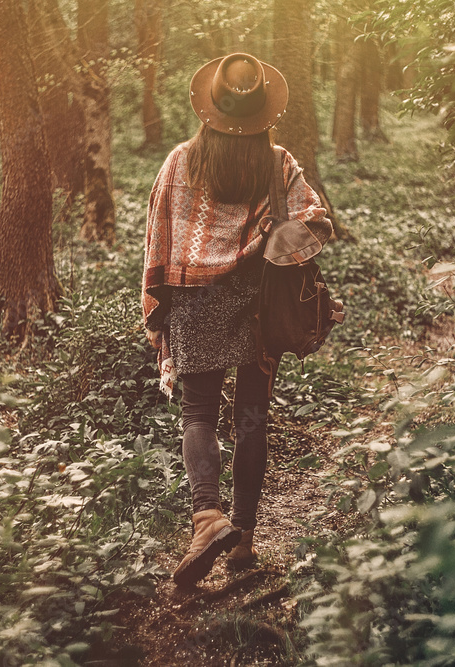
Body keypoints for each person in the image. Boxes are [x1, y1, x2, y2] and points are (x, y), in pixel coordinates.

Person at [141, 53, 329, 587]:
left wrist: (158, 308)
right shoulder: (277, 163)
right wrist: (267, 244)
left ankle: (207, 519)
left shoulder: (180, 161)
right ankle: (243, 536)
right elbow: (316, 220)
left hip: (195, 302)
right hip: (259, 307)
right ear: (264, 111)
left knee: (198, 414)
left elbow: (159, 235)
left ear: (210, 109)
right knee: (251, 416)